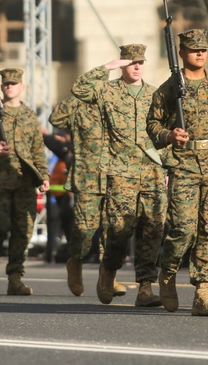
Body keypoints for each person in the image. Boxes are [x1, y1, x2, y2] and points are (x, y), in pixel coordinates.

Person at [147, 28, 208, 317]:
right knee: (183, 229)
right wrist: (169, 136)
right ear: (181, 52)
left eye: (204, 49)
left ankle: (202, 292)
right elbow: (152, 125)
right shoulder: (169, 88)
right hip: (184, 164)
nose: (200, 53)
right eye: (194, 49)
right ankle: (168, 272)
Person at [72, 43, 165, 308]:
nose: (136, 67)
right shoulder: (107, 90)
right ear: (123, 64)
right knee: (119, 231)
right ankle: (108, 272)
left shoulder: (154, 94)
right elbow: (79, 89)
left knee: (153, 230)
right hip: (120, 171)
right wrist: (107, 67)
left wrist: (166, 165)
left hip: (152, 171)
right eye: (130, 62)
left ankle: (146, 288)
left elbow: (164, 131)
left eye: (140, 62)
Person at [0, 68, 50, 295]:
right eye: (6, 84)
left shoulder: (29, 116)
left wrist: (43, 176)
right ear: (0, 87)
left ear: (22, 87)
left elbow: (37, 149)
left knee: (23, 230)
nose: (10, 86)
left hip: (24, 181)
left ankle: (15, 277)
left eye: (13, 83)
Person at [48, 95, 115, 299]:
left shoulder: (117, 105)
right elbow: (56, 119)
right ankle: (75, 260)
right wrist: (78, 96)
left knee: (111, 229)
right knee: (85, 229)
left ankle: (107, 278)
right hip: (86, 178)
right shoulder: (78, 110)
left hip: (115, 176)